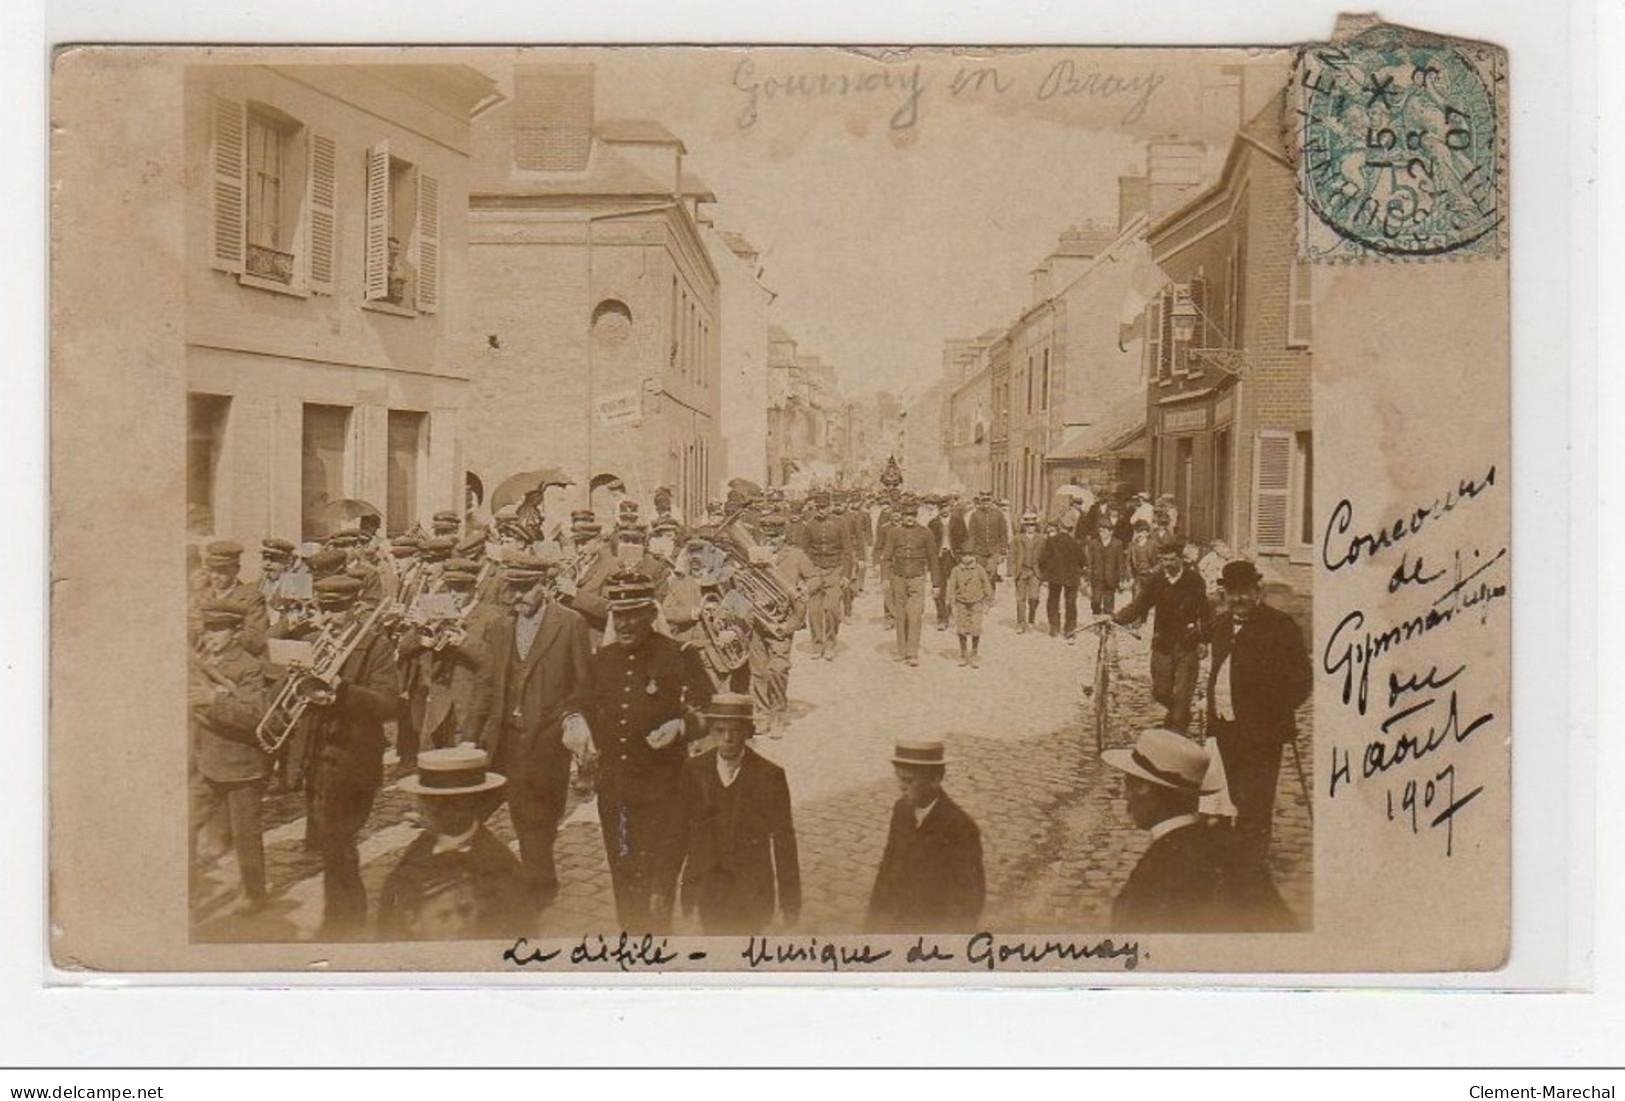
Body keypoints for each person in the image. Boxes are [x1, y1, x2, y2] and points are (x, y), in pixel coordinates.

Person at [567, 570, 714, 933]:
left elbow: (711, 709)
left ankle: (656, 951)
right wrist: (575, 721)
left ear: (650, 614)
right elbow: (577, 701)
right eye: (619, 615)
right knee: (624, 876)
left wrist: (682, 726)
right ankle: (632, 949)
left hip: (666, 792)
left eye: (635, 614)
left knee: (658, 886)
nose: (627, 623)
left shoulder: (678, 655)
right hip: (616, 794)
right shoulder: (602, 660)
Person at [466, 553, 592, 909]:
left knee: (535, 821)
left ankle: (539, 890)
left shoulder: (570, 624)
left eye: (525, 588)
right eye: (512, 588)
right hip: (501, 739)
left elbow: (583, 685)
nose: (516, 596)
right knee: (471, 813)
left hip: (545, 741)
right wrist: (468, 738)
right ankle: (500, 875)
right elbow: (486, 685)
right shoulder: (500, 626)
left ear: (546, 585)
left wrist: (569, 719)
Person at [1103, 727, 1294, 932]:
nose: (1125, 798)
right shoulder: (1237, 850)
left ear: (1144, 788)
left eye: (1128, 785)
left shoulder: (1150, 879)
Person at [298, 574, 400, 938]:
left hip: (355, 756)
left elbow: (388, 704)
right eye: (325, 607)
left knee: (338, 840)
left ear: (355, 606)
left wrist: (343, 690)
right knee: (330, 842)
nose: (330, 616)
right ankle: (342, 916)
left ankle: (345, 920)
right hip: (317, 754)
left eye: (338, 609)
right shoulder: (311, 641)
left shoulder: (375, 645)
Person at [1206, 560, 1313, 866]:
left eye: (1245, 592)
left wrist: (1274, 710)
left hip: (1262, 734)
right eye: (1232, 593)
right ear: (1224, 594)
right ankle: (1238, 856)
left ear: (1258, 591)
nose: (1238, 599)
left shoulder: (1280, 626)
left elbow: (1302, 680)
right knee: (1233, 796)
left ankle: (1250, 866)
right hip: (1225, 729)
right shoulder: (1222, 625)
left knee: (1257, 798)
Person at [674, 694, 801, 935]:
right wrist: (662, 885)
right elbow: (678, 830)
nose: (728, 738)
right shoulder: (694, 770)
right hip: (708, 886)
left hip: (751, 890)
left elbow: (784, 839)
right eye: (720, 730)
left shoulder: (769, 775)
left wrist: (790, 900)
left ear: (747, 731)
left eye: (735, 730)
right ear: (711, 730)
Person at [377, 745, 532, 940]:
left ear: (476, 803)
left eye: (452, 802)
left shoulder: (502, 868)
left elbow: (519, 936)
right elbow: (388, 929)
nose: (438, 809)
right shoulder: (414, 856)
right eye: (430, 800)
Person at [188, 597, 271, 914]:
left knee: (246, 835)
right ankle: (188, 892)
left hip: (241, 765)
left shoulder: (248, 668)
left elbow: (254, 717)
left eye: (219, 630)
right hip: (207, 761)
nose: (210, 636)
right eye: (208, 629)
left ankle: (255, 895)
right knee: (185, 824)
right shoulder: (204, 659)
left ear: (236, 632)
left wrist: (213, 700)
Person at [866, 739, 985, 933]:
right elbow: (888, 867)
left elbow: (968, 899)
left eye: (909, 781)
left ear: (935, 779)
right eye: (899, 778)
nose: (901, 787)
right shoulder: (901, 810)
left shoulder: (961, 827)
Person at [1112, 539, 1210, 732]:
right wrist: (1116, 618)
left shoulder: (1194, 581)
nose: (1168, 565)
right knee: (1160, 691)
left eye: (1172, 560)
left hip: (1187, 644)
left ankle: (1177, 733)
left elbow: (1204, 612)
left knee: (1183, 696)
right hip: (1162, 643)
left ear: (1181, 559)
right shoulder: (1156, 581)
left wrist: (1204, 640)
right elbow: (1139, 606)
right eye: (1165, 560)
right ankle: (1176, 714)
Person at [746, 512, 815, 735]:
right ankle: (762, 714)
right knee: (758, 671)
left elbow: (814, 578)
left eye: (775, 536)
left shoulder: (796, 555)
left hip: (782, 621)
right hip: (757, 621)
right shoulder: (754, 555)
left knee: (778, 669)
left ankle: (778, 714)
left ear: (783, 534)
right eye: (767, 535)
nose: (771, 540)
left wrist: (805, 590)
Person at [876, 503, 943, 667]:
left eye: (912, 515)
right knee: (900, 614)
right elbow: (886, 557)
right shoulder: (894, 533)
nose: (909, 518)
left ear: (916, 516)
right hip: (898, 578)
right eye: (906, 515)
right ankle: (901, 649)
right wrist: (884, 578)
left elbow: (933, 559)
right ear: (902, 515)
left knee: (914, 614)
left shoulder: (925, 533)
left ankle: (912, 652)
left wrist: (936, 584)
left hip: (917, 578)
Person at [800, 492, 854, 661]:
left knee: (832, 609)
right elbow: (803, 551)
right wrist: (804, 575)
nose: (822, 510)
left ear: (830, 507)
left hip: (834, 570)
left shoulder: (840, 524)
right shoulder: (809, 525)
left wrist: (846, 574)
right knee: (814, 610)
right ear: (815, 507)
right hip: (815, 571)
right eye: (819, 507)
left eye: (824, 507)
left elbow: (848, 551)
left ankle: (830, 643)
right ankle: (817, 645)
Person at [944, 550, 993, 668]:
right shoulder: (956, 570)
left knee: (976, 628)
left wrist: (988, 602)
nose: (967, 558)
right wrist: (951, 604)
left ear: (973, 556)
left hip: (977, 602)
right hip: (961, 603)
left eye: (969, 555)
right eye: (964, 556)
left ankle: (974, 653)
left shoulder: (979, 569)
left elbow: (987, 584)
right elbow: (951, 588)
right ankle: (963, 653)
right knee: (961, 628)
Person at [1037, 519, 1085, 641]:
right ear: (1071, 529)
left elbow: (1042, 559)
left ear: (1060, 527)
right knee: (1070, 603)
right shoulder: (1076, 543)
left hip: (1055, 576)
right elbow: (1083, 561)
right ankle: (1069, 629)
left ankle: (1054, 626)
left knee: (1053, 600)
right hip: (1072, 577)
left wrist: (1045, 573)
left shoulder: (1051, 541)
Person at [965, 490, 1009, 592]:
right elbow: (971, 534)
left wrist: (1003, 551)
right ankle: (981, 593)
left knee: (991, 572)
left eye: (988, 499)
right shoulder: (975, 515)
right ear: (980, 500)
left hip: (994, 550)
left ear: (992, 499)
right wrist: (970, 552)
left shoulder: (998, 514)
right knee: (980, 573)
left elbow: (1003, 533)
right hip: (979, 550)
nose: (986, 502)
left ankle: (990, 594)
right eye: (983, 500)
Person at [1084, 518, 1127, 615]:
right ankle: (1097, 621)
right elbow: (1089, 562)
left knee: (1108, 604)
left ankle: (1107, 626)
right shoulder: (1094, 543)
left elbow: (1120, 563)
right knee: (1096, 602)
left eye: (1104, 531)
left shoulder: (1118, 544)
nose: (1101, 533)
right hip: (1097, 578)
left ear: (1111, 532)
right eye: (1100, 531)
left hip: (1111, 579)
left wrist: (1121, 579)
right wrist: (1087, 579)